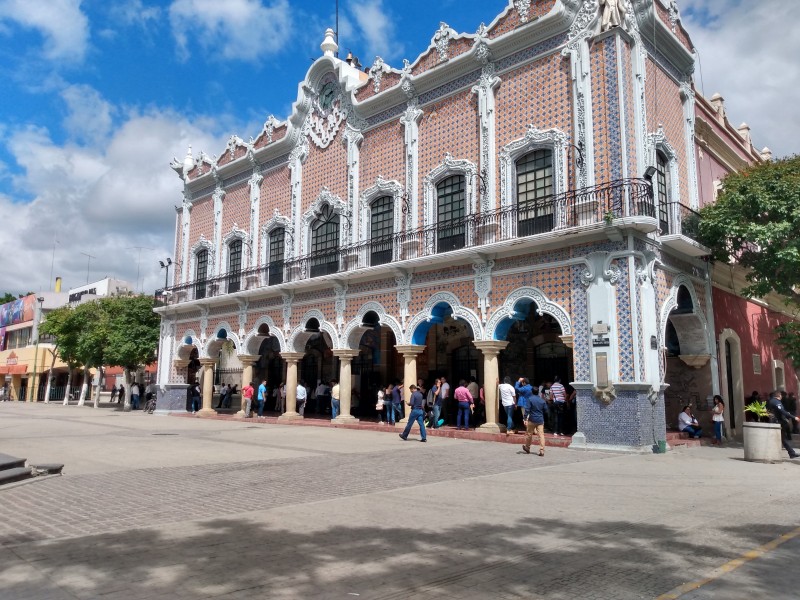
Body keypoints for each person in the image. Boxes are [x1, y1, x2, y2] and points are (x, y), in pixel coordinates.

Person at [767, 390, 800, 459]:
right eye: (781, 395)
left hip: (775, 422)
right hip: (777, 422)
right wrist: (794, 417)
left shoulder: (771, 401)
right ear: (779, 396)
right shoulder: (776, 402)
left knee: (782, 438)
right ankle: (791, 453)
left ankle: (791, 453)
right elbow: (782, 411)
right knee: (781, 438)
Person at [519, 383, 548, 456]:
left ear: (532, 392)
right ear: (538, 392)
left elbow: (527, 409)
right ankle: (542, 450)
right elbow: (546, 410)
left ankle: (527, 447)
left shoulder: (530, 399)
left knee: (529, 434)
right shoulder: (542, 400)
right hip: (540, 420)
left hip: (532, 419)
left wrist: (525, 418)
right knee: (541, 435)